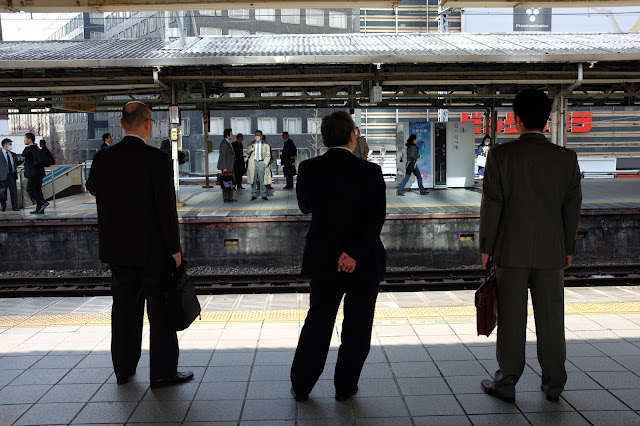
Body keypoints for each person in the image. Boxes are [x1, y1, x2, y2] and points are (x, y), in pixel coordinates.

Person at [479, 89, 582, 404]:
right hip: (551, 253)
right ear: (548, 119)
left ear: (516, 119)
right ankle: (554, 384)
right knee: (551, 320)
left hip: (510, 252)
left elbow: (492, 205)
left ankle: (507, 382)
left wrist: (487, 247)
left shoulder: (501, 156)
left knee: (511, 320)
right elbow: (571, 209)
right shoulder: (567, 159)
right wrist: (567, 248)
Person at [86, 101, 193, 388]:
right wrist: (175, 249)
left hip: (118, 252)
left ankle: (123, 369)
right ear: (149, 124)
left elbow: (93, 188)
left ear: (122, 124)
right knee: (160, 315)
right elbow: (166, 210)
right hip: (154, 253)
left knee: (123, 313)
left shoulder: (103, 159)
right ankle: (162, 372)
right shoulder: (156, 160)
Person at [290, 111, 386, 403]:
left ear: (324, 138)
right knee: (357, 326)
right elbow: (376, 218)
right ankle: (345, 387)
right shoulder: (370, 172)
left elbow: (305, 207)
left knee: (318, 321)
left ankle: (303, 386)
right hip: (364, 261)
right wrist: (354, 253)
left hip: (324, 259)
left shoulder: (308, 169)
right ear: (353, 135)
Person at [21, 133, 48, 214]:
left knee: (30, 189)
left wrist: (27, 147)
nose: (24, 140)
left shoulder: (29, 149)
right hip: (40, 172)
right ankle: (39, 208)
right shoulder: (36, 148)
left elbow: (23, 153)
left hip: (33, 173)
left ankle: (42, 202)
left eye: (25, 138)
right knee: (37, 189)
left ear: (29, 140)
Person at [245, 130, 270, 201]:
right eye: (256, 135)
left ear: (261, 136)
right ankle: (253, 194)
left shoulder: (265, 145)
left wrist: (265, 163)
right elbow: (246, 152)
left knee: (262, 180)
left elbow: (268, 155)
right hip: (253, 162)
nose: (257, 137)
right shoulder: (251, 144)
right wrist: (250, 150)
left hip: (261, 162)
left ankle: (263, 194)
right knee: (253, 179)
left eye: (258, 135)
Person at [0, 138, 23, 211]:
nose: (11, 146)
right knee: (3, 192)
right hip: (3, 176)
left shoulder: (13, 154)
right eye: (9, 144)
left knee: (14, 192)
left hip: (12, 175)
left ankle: (15, 207)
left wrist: (21, 160)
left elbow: (15, 164)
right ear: (5, 145)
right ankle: (3, 206)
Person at [218, 129, 236, 203]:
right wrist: (224, 167)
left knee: (230, 182)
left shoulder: (228, 143)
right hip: (226, 166)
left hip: (230, 166)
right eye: (231, 133)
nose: (232, 135)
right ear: (228, 135)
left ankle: (230, 198)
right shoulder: (224, 144)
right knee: (226, 182)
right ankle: (226, 198)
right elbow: (223, 156)